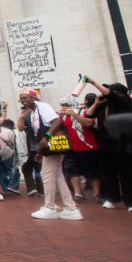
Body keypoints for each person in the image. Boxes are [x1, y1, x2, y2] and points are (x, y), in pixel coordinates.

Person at [17, 89, 82, 220]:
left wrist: (47, 136)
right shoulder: (34, 111)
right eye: (21, 98)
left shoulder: (42, 107)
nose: (23, 100)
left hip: (51, 144)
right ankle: (70, 208)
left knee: (46, 175)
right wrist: (40, 152)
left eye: (25, 97)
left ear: (34, 97)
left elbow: (57, 121)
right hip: (48, 147)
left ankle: (50, 207)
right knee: (57, 176)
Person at [83, 78, 132, 211]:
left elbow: (111, 94)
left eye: (111, 90)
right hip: (106, 145)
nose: (106, 93)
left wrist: (93, 82)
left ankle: (130, 201)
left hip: (122, 144)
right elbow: (88, 114)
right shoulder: (104, 106)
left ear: (119, 93)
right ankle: (112, 198)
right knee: (109, 173)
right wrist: (97, 103)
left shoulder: (124, 103)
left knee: (126, 173)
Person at [58, 95, 100, 204]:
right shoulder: (63, 116)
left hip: (87, 146)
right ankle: (78, 193)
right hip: (71, 148)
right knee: (72, 171)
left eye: (65, 105)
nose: (63, 107)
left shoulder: (83, 111)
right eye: (62, 105)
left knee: (93, 171)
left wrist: (73, 114)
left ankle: (97, 194)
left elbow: (88, 123)